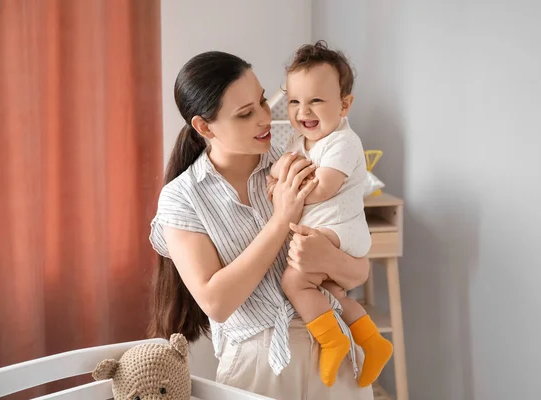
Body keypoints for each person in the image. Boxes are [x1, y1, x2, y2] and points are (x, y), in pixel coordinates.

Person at [148, 51, 373, 400]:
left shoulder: (296, 162)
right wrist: (282, 219)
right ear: (204, 127)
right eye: (245, 113)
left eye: (262, 101)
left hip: (334, 348)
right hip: (257, 367)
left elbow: (358, 272)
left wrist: (326, 258)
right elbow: (216, 302)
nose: (266, 117)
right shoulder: (182, 199)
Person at [266, 41, 393, 388]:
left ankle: (332, 340)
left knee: (293, 280)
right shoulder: (301, 144)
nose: (303, 111)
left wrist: (281, 177)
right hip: (327, 230)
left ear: (345, 104)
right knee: (332, 296)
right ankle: (373, 342)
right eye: (294, 101)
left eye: (316, 100)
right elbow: (291, 181)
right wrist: (282, 173)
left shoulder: (342, 142)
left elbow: (320, 189)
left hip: (339, 230)